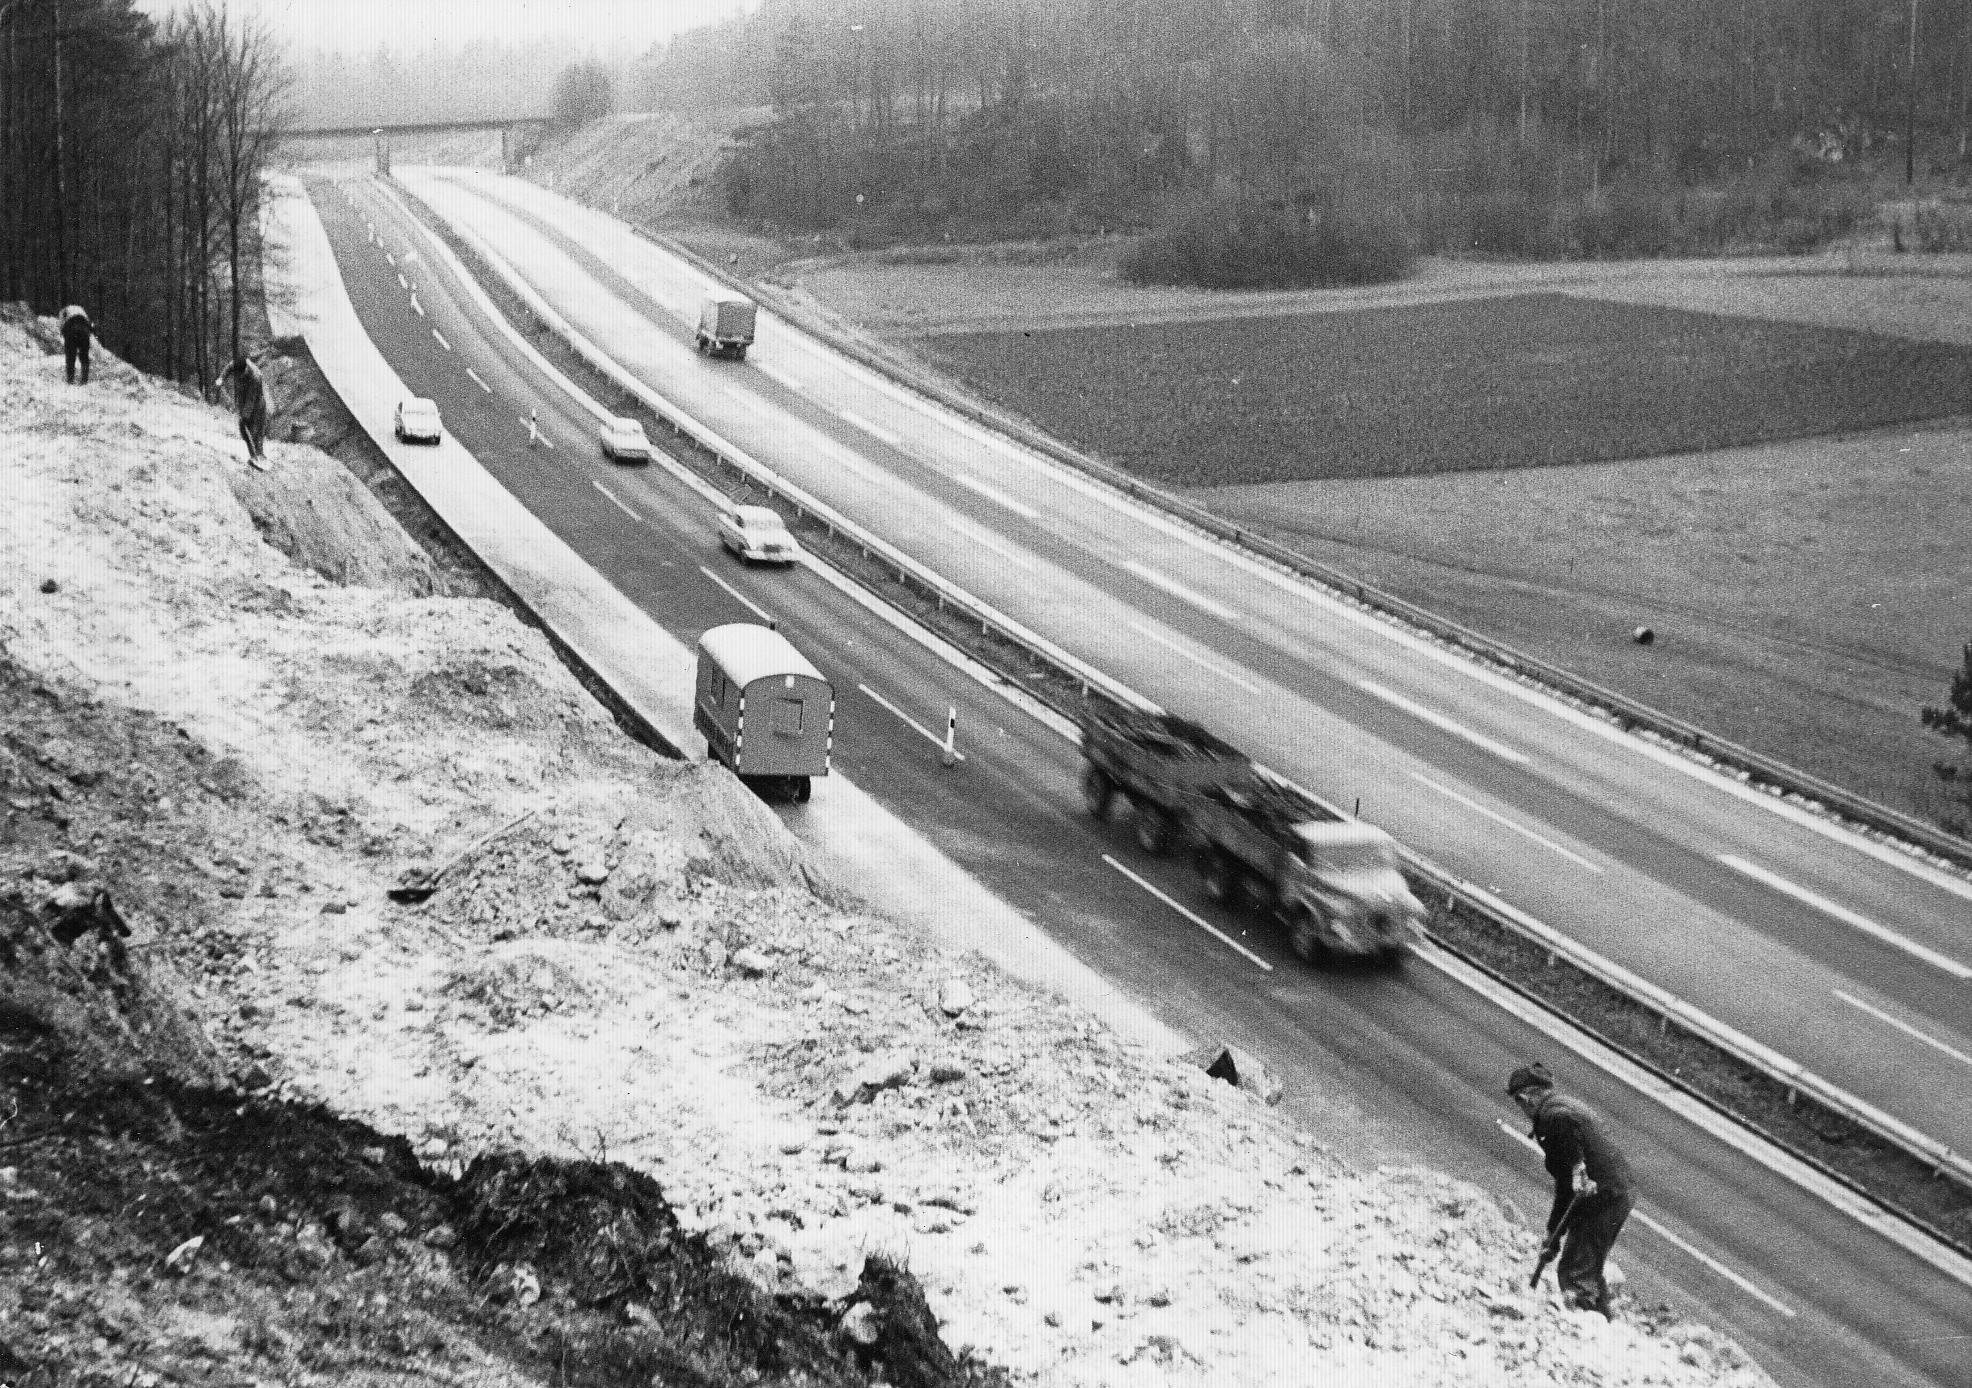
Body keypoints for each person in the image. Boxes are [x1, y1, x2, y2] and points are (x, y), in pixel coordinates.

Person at [1507, 1062, 1635, 1317]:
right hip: (1612, 1192)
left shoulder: (1553, 1116)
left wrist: (1578, 1166)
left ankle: (1584, 1326)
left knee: (1575, 1270)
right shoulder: (1562, 1106)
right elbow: (1565, 1187)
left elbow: (1567, 1140)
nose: (1522, 1109)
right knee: (1587, 1262)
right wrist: (1554, 1234)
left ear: (1527, 1097)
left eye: (1519, 1102)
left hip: (1605, 1196)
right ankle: (1601, 1320)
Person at [215, 354, 270, 464]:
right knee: (243, 429)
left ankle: (259, 454)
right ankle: (253, 454)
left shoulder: (255, 376)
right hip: (244, 397)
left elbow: (251, 400)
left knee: (255, 429)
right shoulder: (236, 364)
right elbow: (228, 368)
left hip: (257, 403)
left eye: (240, 374)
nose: (237, 376)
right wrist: (221, 378)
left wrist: (244, 416)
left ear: (245, 369)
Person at [60, 305, 92, 385]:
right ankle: (84, 380)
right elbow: (88, 322)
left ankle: (70, 379)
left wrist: (65, 335)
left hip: (71, 329)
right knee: (84, 356)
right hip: (84, 330)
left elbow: (62, 325)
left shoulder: (63, 311)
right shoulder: (81, 309)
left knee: (70, 356)